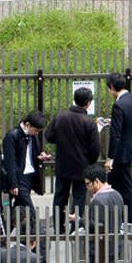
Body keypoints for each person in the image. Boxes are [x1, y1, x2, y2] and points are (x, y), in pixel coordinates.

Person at [45, 88, 100, 232]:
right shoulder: (88, 122)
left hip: (63, 165)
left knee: (60, 196)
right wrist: (90, 162)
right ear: (88, 103)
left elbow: (48, 136)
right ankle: (76, 226)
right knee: (79, 198)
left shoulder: (60, 117)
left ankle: (58, 226)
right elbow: (95, 149)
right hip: (82, 167)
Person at [80, 164, 123, 263]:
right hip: (114, 245)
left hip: (99, 248)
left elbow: (95, 225)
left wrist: (79, 220)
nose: (87, 187)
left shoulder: (98, 200)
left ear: (96, 181)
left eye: (88, 184)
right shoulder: (117, 195)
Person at [104, 72, 132, 223]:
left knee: (123, 186)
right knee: (124, 184)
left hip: (120, 152)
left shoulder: (119, 105)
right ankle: (124, 218)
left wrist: (110, 158)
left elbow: (116, 136)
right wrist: (114, 121)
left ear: (112, 87)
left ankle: (127, 219)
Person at [2, 110, 49, 217]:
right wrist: (13, 183)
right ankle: (33, 231)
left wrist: (41, 156)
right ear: (27, 125)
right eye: (36, 130)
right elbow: (10, 162)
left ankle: (6, 230)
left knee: (19, 209)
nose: (37, 133)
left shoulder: (32, 135)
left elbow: (32, 153)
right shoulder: (12, 136)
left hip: (30, 175)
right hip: (19, 177)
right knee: (29, 210)